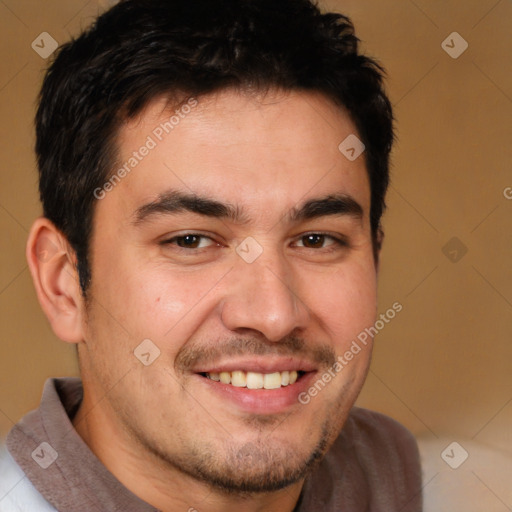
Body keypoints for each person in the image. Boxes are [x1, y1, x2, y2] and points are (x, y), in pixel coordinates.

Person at [0, 0, 423, 510]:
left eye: (316, 240)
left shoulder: (460, 490)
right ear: (64, 284)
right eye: (191, 241)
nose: (273, 315)